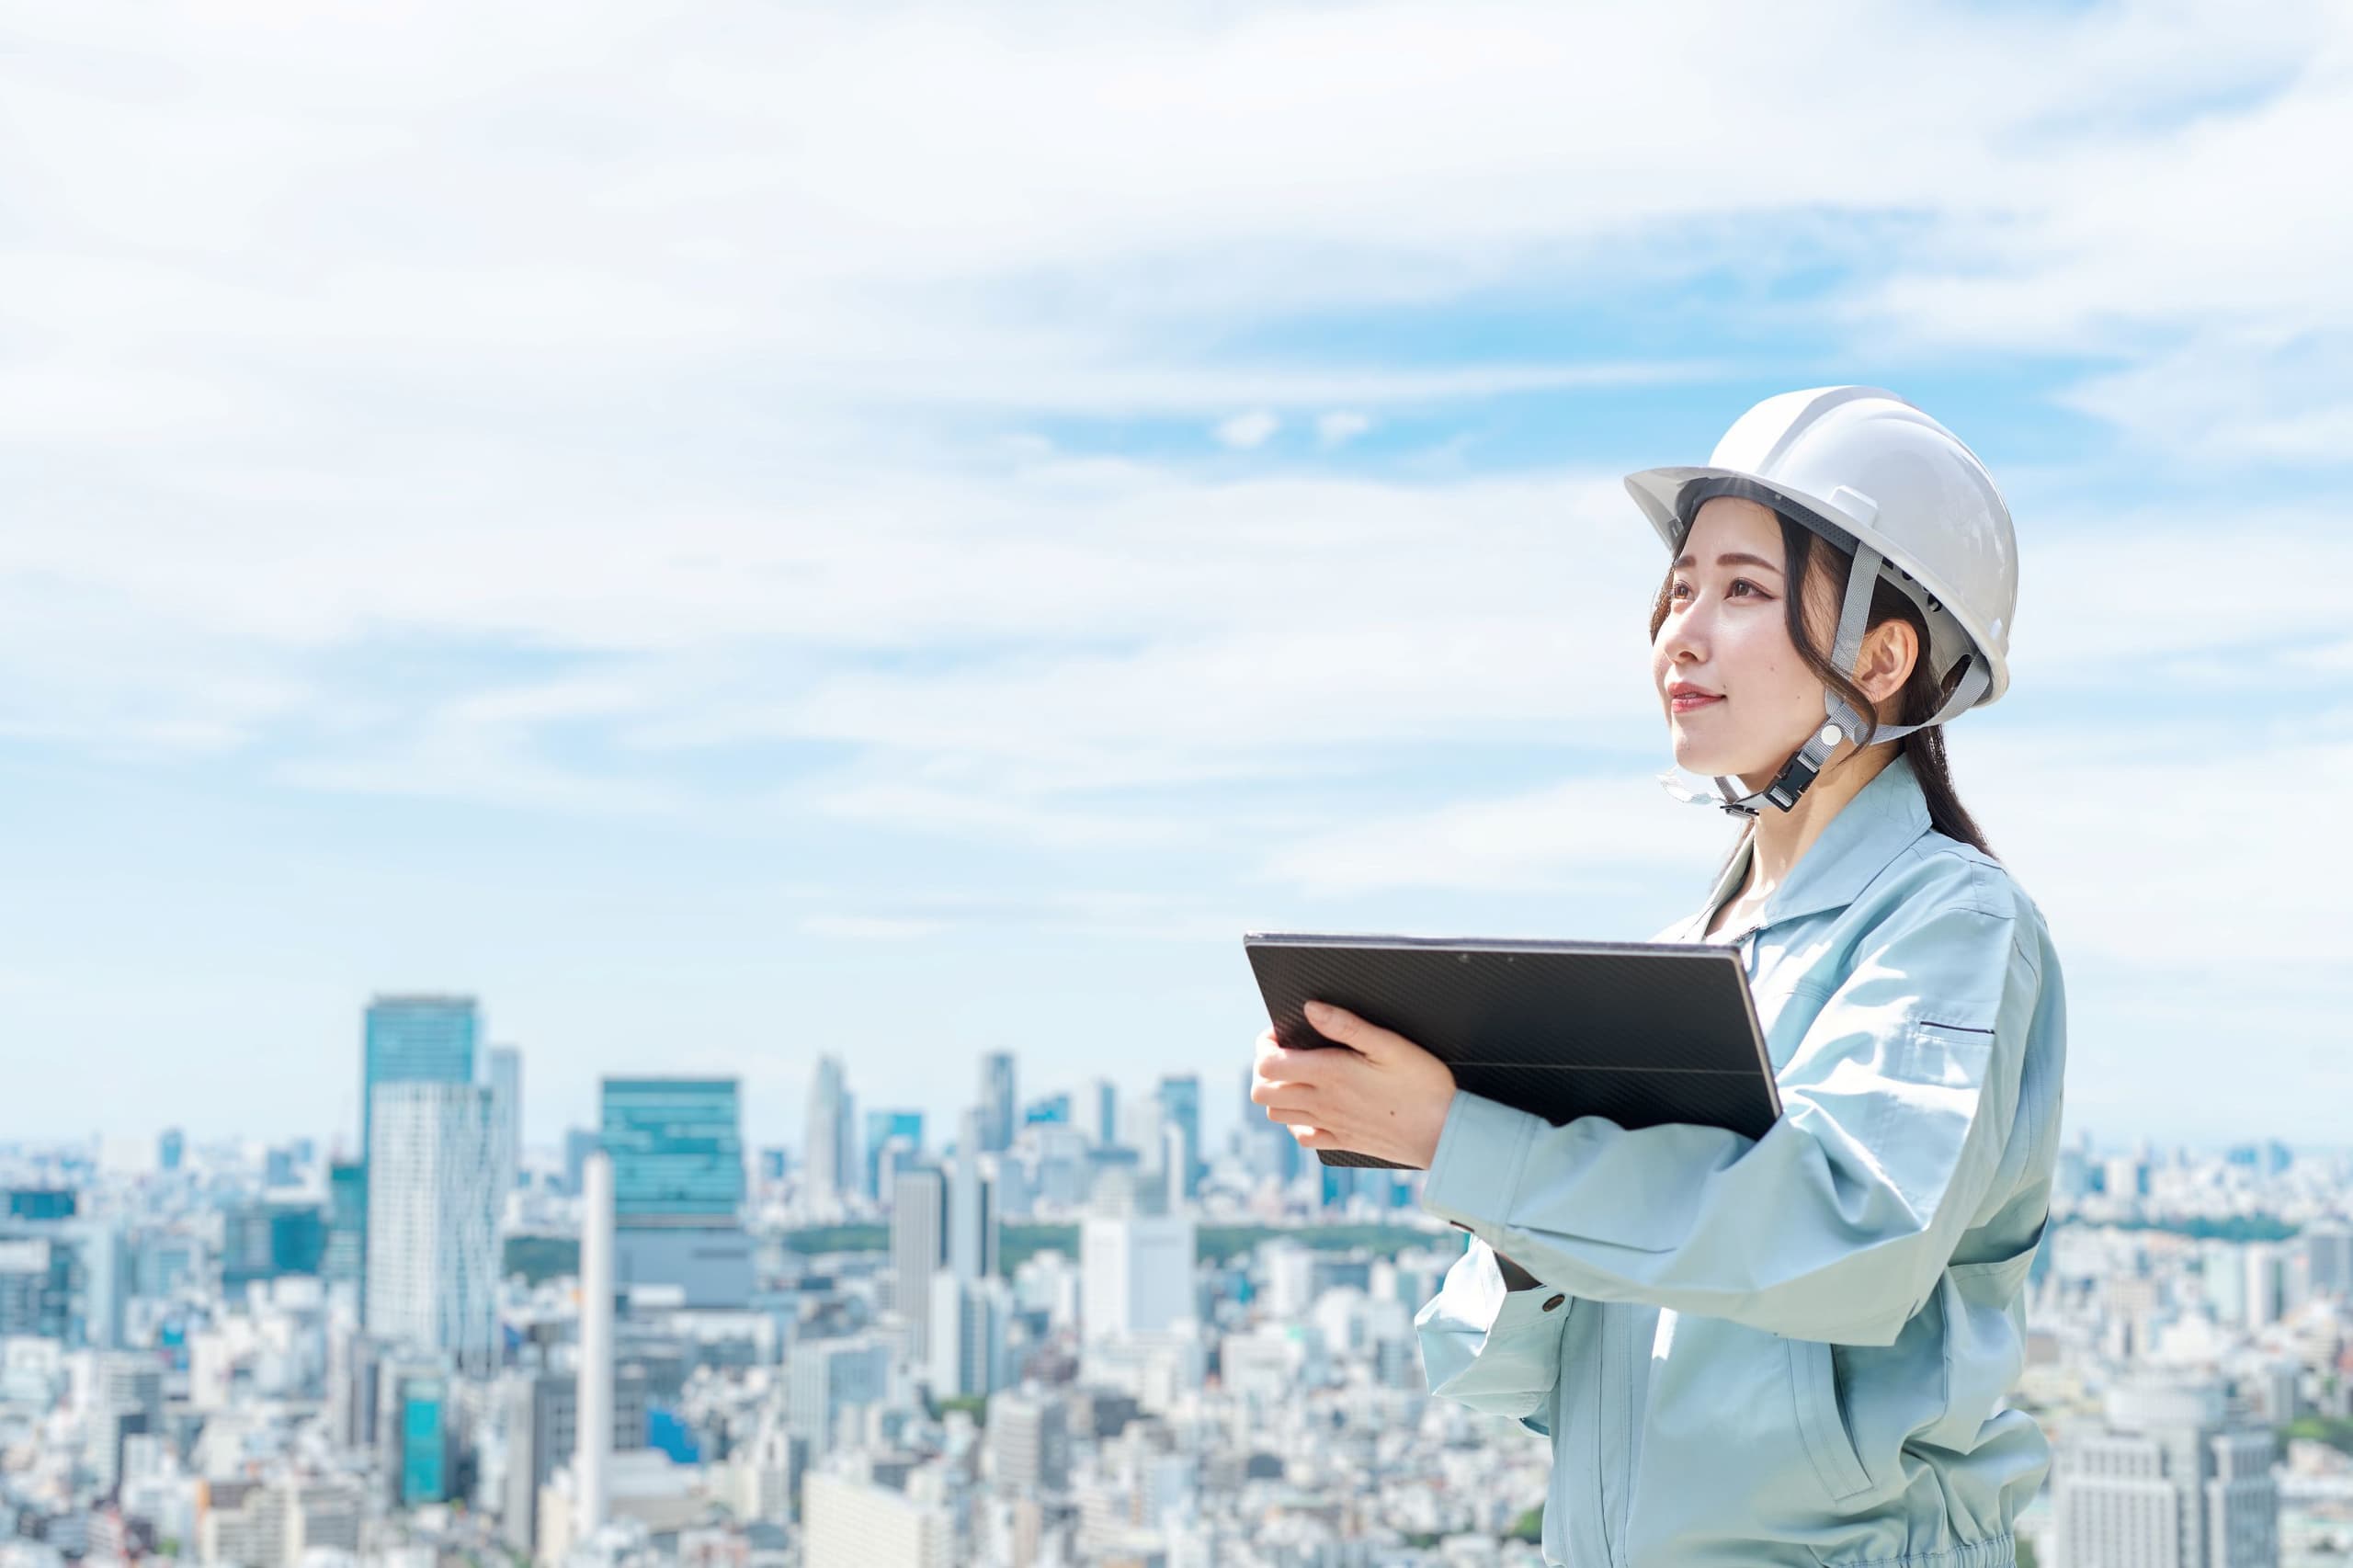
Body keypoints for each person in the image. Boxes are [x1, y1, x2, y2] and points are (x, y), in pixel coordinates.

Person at [1249, 386, 2065, 1568]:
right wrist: (1515, 1212)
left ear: (1884, 655)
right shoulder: (1691, 949)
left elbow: (1856, 1237)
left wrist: (1470, 1142)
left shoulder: (1952, 917)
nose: (1678, 632)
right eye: (1679, 588)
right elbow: (1500, 1377)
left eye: (1742, 589)